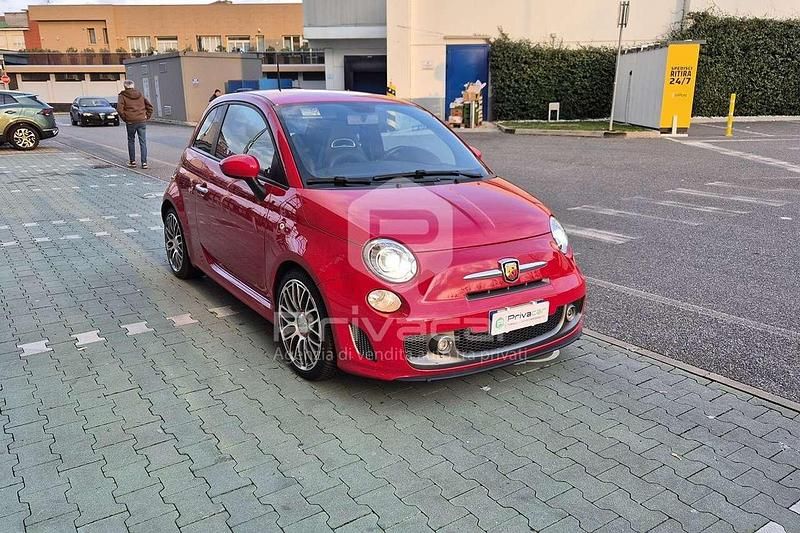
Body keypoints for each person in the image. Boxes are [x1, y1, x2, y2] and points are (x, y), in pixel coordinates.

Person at [118, 79, 153, 169]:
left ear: (125, 86)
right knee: (143, 142)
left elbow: (119, 110)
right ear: (133, 86)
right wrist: (146, 116)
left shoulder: (122, 96)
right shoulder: (140, 94)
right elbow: (150, 106)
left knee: (131, 140)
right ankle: (144, 163)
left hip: (130, 121)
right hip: (141, 120)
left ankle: (132, 162)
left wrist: (125, 118)